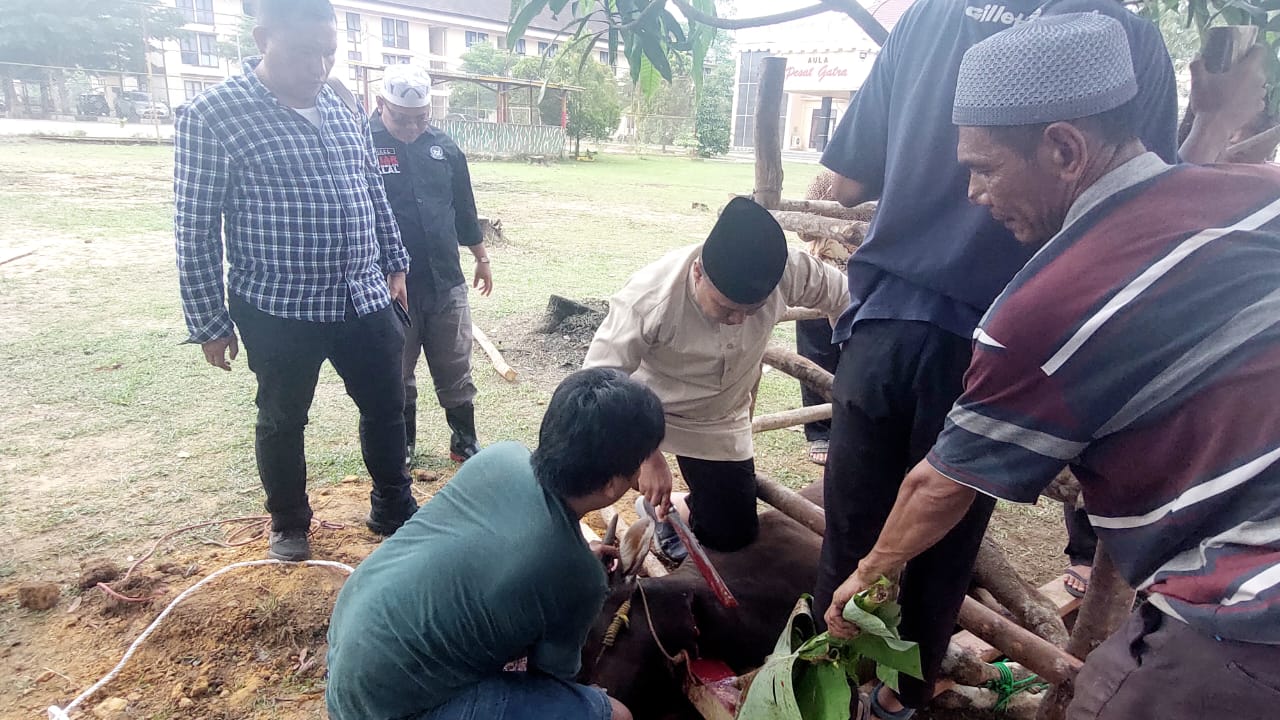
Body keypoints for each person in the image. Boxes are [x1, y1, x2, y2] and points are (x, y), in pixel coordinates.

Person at [825, 14, 1280, 720]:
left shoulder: (1046, 307)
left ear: (1065, 150)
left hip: (1245, 613)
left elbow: (937, 489)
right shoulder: (1259, 201)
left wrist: (867, 575)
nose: (973, 194)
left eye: (982, 168)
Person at [173, 0, 416, 562]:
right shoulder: (213, 114)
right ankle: (288, 522)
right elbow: (195, 225)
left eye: (328, 54)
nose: (317, 68)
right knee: (283, 418)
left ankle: (393, 504)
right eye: (305, 53)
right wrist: (209, 321)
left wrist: (395, 263)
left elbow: (369, 189)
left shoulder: (338, 100)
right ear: (263, 39)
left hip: (363, 293)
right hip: (279, 305)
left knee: (387, 405)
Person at [326, 368, 662, 720]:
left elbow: (497, 541)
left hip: (349, 655)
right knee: (615, 714)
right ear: (611, 485)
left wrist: (572, 562)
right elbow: (551, 678)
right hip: (393, 709)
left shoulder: (501, 457)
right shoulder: (579, 577)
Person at [584, 197, 849, 558]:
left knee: (732, 535)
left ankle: (669, 511)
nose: (738, 320)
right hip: (644, 413)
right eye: (726, 307)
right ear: (697, 272)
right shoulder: (649, 298)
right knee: (588, 481)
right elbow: (598, 382)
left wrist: (850, 350)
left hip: (719, 419)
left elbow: (846, 297)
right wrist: (645, 452)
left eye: (751, 310)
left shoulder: (788, 271)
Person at [370, 64, 492, 466]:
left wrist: (481, 257)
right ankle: (402, 446)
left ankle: (463, 440)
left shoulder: (444, 147)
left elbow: (464, 208)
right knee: (396, 372)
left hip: (445, 280)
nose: (412, 127)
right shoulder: (360, 144)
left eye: (421, 118)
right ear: (380, 104)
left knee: (455, 365)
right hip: (388, 285)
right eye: (403, 119)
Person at [794, 170, 853, 466]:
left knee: (853, 360)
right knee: (816, 356)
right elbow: (804, 230)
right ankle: (819, 431)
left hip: (862, 282)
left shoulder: (889, 175)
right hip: (821, 278)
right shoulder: (823, 180)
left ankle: (845, 429)